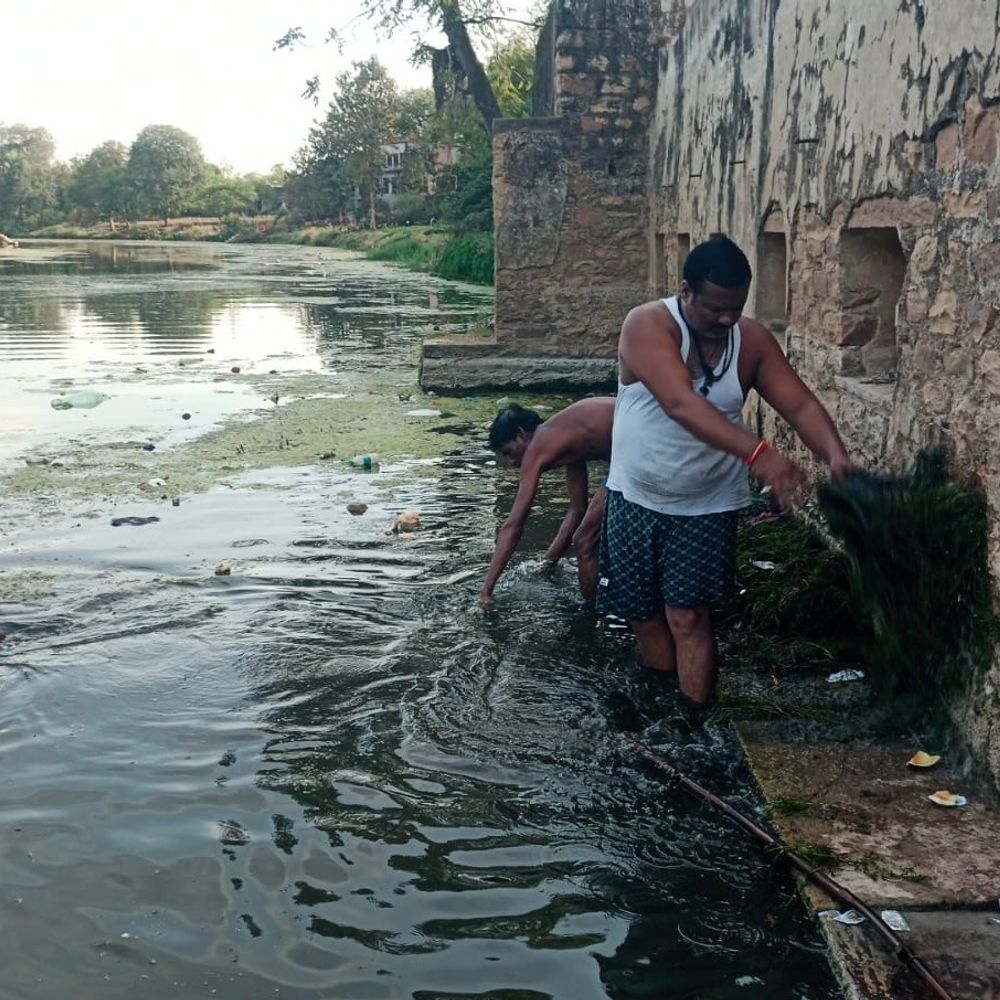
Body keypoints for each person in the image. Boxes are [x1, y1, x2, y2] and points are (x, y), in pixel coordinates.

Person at [598, 235, 853, 709]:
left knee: (689, 617)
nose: (726, 320)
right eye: (715, 308)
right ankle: (659, 699)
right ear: (686, 292)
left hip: (706, 503)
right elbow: (680, 402)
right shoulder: (648, 324)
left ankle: (692, 718)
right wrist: (759, 454)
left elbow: (796, 402)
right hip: (635, 494)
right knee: (643, 613)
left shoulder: (751, 341)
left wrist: (834, 456)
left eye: (735, 308)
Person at [480, 397, 615, 604]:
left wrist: (486, 590)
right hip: (640, 445)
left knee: (584, 542)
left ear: (521, 435)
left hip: (640, 449)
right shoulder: (566, 437)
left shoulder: (539, 445)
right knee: (586, 538)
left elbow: (514, 525)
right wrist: (547, 563)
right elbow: (577, 509)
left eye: (508, 452)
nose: (511, 462)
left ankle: (590, 617)